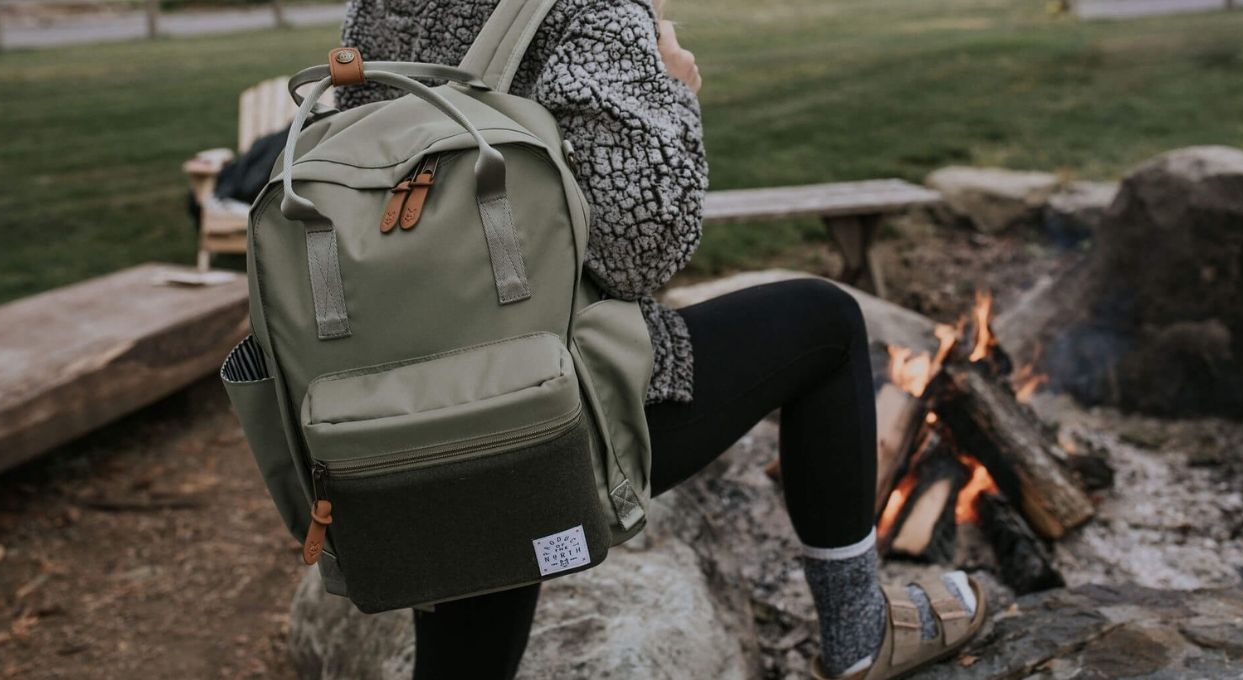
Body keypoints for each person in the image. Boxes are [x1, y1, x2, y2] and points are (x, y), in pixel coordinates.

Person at [337, 1, 986, 678]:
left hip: (393, 394)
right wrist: (673, 91)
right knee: (826, 326)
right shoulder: (591, 8)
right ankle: (861, 633)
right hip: (537, 401)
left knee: (480, 541)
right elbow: (638, 249)